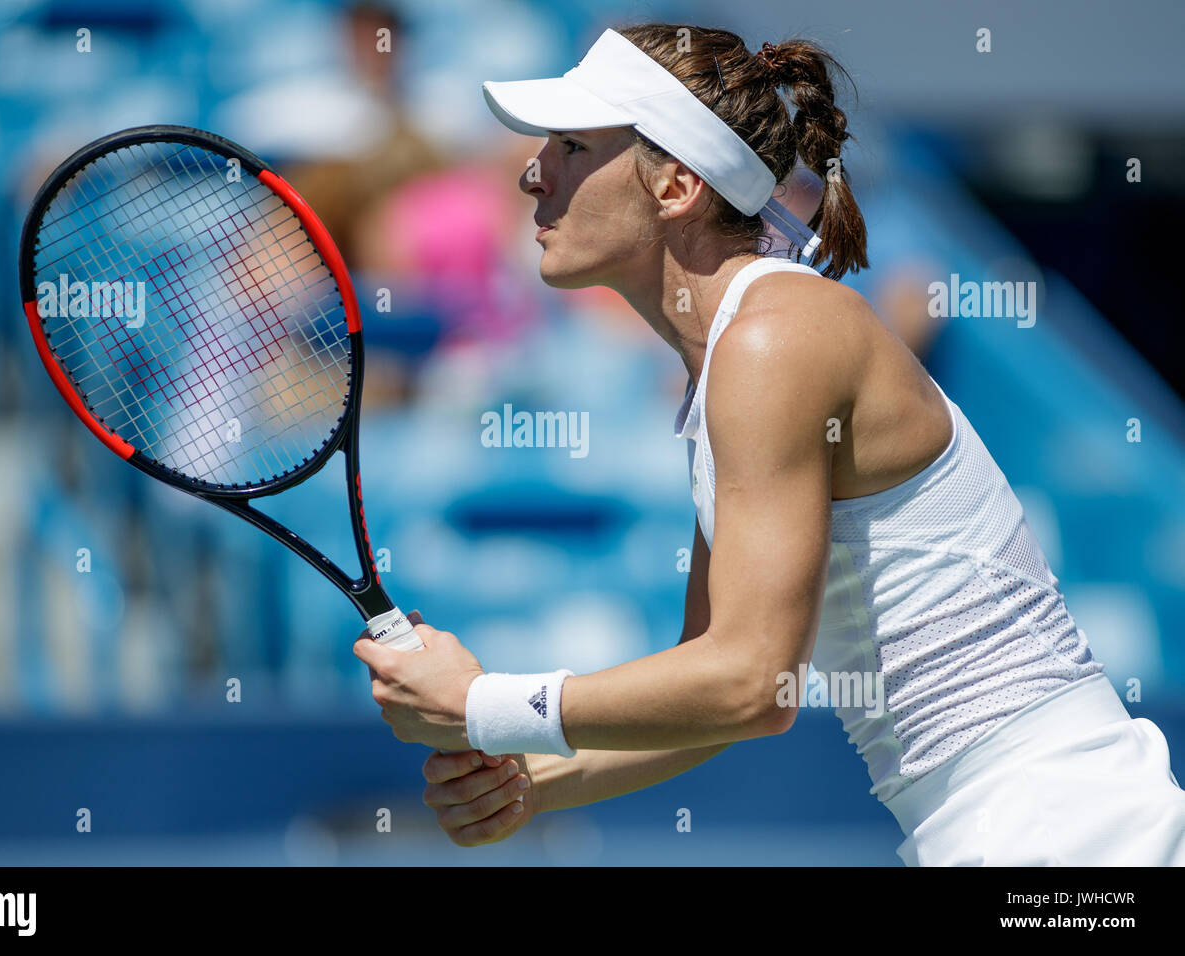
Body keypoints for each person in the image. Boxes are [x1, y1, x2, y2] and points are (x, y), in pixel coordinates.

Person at [352, 23, 1185, 865]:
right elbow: (708, 691)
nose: (533, 173)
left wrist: (484, 704)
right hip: (1030, 833)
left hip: (1071, 836)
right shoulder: (734, 358)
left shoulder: (772, 339)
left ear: (675, 186)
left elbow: (752, 684)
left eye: (572, 146)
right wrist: (531, 781)